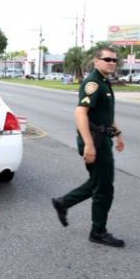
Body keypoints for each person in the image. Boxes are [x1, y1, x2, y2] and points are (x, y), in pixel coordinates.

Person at [51, 46, 126, 248]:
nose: (111, 63)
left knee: (98, 182)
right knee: (104, 188)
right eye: (107, 59)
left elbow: (105, 116)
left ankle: (63, 202)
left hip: (102, 139)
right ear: (96, 61)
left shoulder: (103, 81)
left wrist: (118, 134)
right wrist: (89, 146)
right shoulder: (93, 82)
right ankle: (98, 232)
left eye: (114, 60)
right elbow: (80, 113)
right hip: (95, 141)